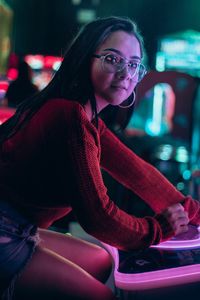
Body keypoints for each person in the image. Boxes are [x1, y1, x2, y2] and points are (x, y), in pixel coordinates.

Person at [0, 16, 200, 300]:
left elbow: (139, 174)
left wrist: (192, 211)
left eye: (133, 64)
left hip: (22, 227)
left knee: (102, 260)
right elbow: (99, 218)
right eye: (112, 59)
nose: (125, 73)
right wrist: (158, 229)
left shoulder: (87, 119)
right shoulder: (66, 116)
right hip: (5, 230)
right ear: (84, 60)